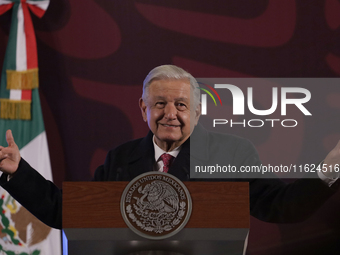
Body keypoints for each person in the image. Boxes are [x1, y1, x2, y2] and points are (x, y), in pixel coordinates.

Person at [0, 65, 339, 230]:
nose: (170, 114)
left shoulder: (232, 153)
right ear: (143, 109)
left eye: (181, 104)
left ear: (198, 110)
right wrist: (17, 172)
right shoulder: (121, 159)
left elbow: (281, 207)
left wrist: (331, 167)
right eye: (159, 103)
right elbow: (68, 213)